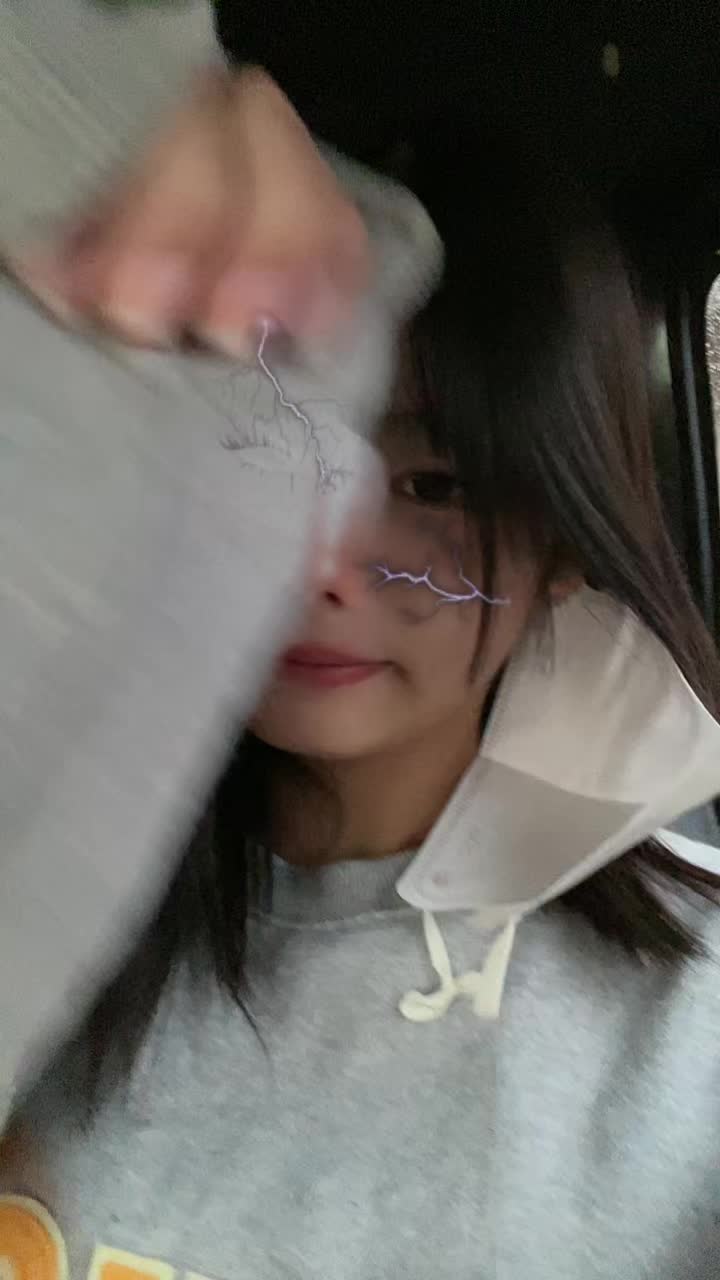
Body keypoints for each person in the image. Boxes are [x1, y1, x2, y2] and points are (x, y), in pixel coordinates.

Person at [2, 13, 720, 1280]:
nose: (320, 562)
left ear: (563, 544)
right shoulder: (53, 862)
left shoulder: (687, 1041)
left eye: (436, 483)